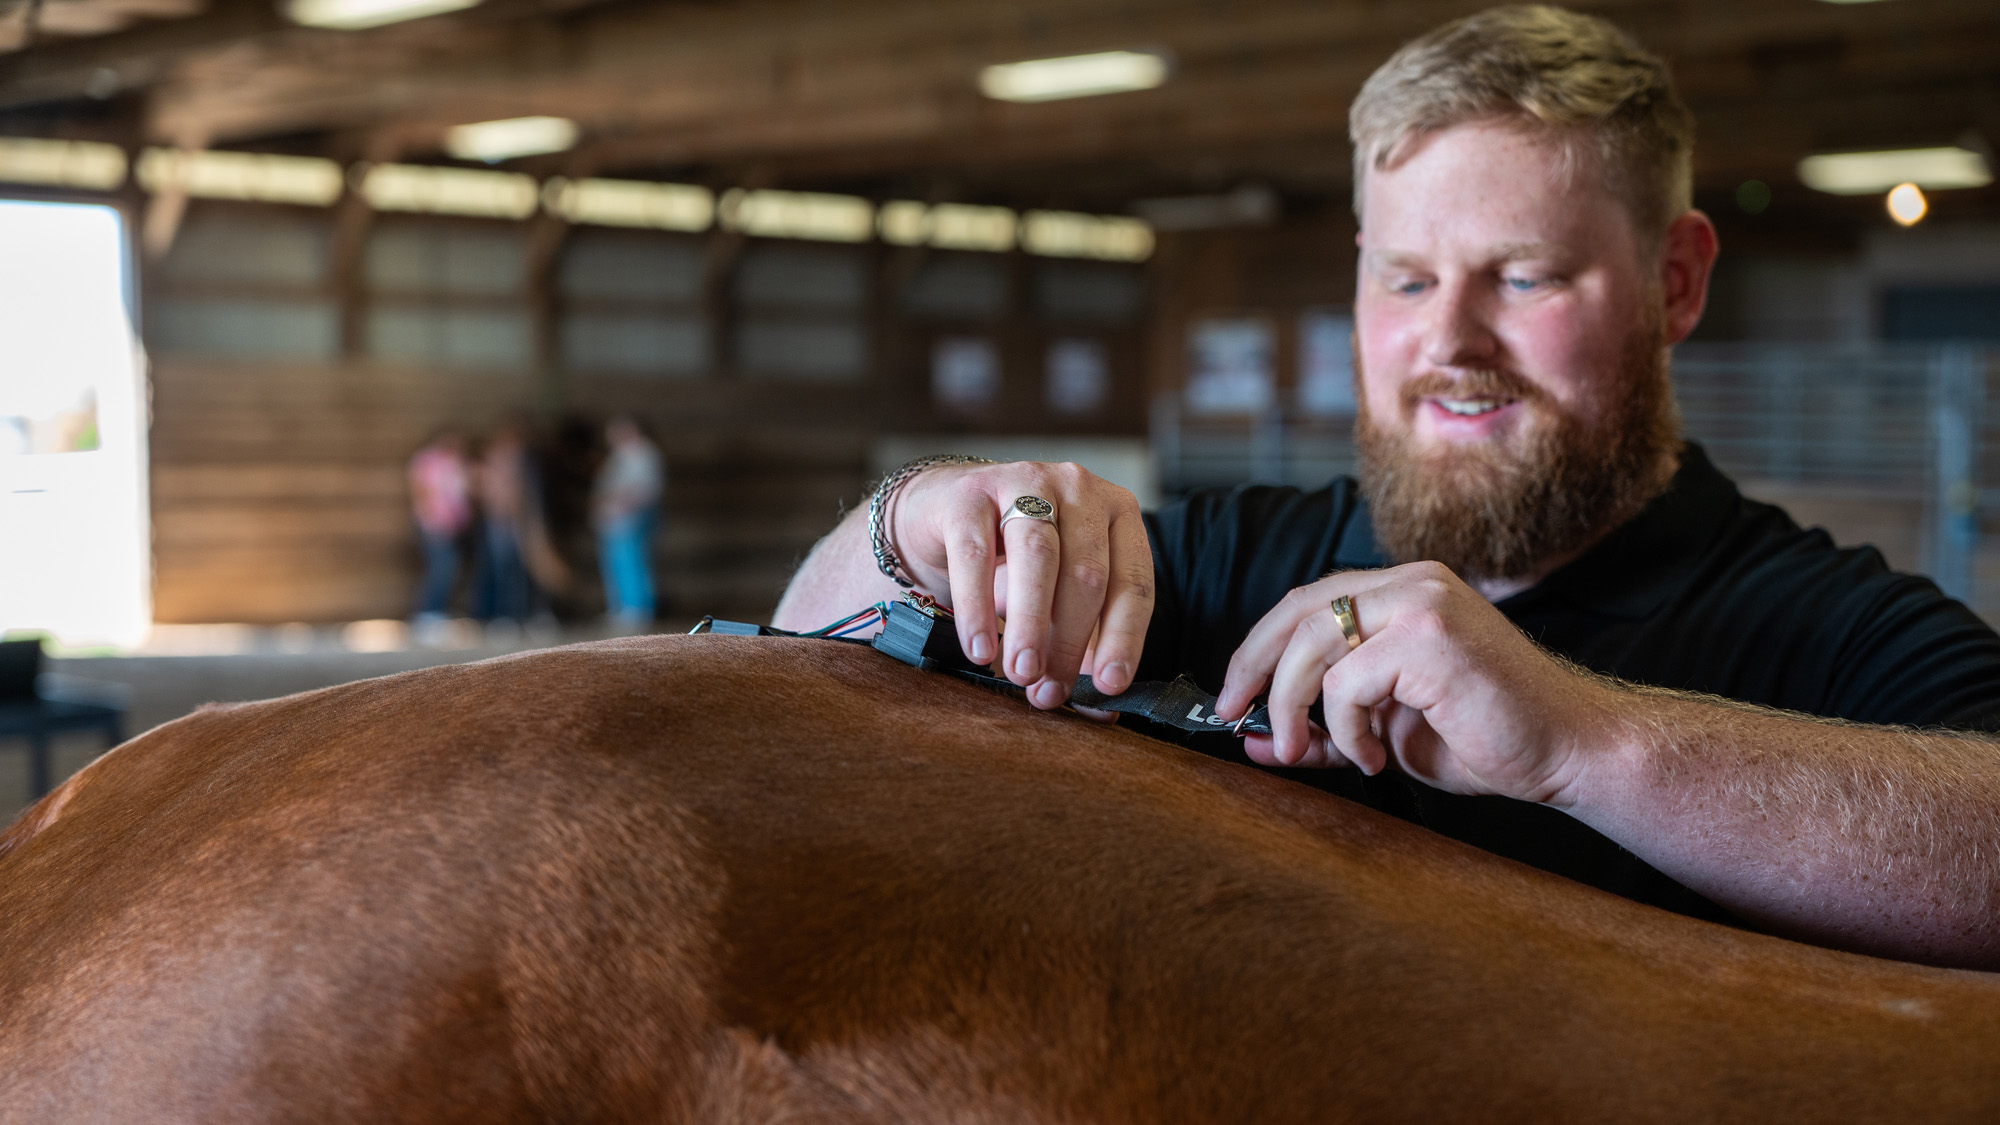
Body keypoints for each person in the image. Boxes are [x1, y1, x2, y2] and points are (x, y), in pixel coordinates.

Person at [775, 4, 2000, 971]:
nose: (1447, 343)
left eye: (1522, 279)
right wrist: (911, 523)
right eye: (1405, 281)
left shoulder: (1836, 630)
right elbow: (793, 682)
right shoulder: (1210, 565)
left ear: (1675, 283)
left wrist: (1581, 740)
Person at [592, 416, 665, 629]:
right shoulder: (620, 455)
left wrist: (620, 499)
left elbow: (647, 489)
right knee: (617, 565)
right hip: (615, 522)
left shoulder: (645, 454)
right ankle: (622, 608)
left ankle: (639, 609)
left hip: (632, 520)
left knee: (634, 563)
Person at [406, 430, 472, 633]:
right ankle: (428, 614)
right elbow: (420, 490)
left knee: (449, 569)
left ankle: (436, 614)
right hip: (434, 525)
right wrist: (430, 517)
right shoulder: (426, 460)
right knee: (442, 568)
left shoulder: (456, 462)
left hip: (453, 528)